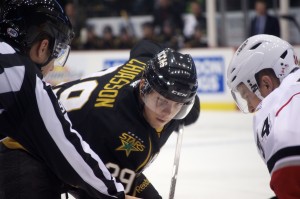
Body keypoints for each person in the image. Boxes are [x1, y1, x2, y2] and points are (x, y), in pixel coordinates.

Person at [0, 0, 134, 199]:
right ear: (43, 45)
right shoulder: (22, 75)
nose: (53, 66)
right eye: (56, 52)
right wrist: (115, 194)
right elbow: (68, 152)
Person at [52, 39, 200, 198]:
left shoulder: (148, 67)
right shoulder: (116, 128)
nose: (168, 113)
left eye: (178, 105)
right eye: (161, 101)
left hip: (96, 151)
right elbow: (103, 192)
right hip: (40, 146)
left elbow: (145, 46)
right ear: (144, 87)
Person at [227, 34, 300, 199]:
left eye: (246, 96)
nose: (251, 108)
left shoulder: (282, 122)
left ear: (266, 84)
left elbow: (290, 190)